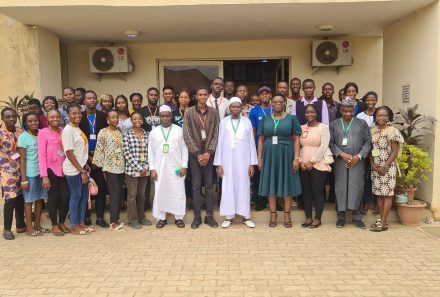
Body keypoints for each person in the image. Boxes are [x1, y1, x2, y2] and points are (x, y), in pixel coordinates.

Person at [257, 93, 302, 228]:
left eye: (280, 102)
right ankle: (273, 213)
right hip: (270, 154)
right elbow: (261, 140)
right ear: (271, 104)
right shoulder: (265, 119)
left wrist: (296, 158)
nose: (278, 104)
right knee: (271, 183)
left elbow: (296, 139)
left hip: (286, 154)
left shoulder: (291, 119)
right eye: (275, 102)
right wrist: (259, 158)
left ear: (285, 104)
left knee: (286, 182)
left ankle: (287, 214)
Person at [214, 97, 257, 228]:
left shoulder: (247, 122)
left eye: (238, 107)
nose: (235, 109)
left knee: (244, 187)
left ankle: (246, 216)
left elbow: (251, 144)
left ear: (241, 108)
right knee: (228, 186)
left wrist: (252, 164)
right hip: (227, 161)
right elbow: (219, 143)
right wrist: (219, 164)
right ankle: (229, 216)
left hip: (243, 161)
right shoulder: (224, 122)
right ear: (229, 108)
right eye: (233, 107)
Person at [329, 97, 372, 229]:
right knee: (340, 187)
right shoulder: (334, 124)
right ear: (341, 110)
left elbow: (368, 142)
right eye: (345, 111)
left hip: (357, 161)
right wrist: (341, 154)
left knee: (357, 186)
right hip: (340, 161)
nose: (348, 113)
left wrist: (358, 156)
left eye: (350, 111)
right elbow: (330, 143)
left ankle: (356, 217)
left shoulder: (361, 123)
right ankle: (341, 217)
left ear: (353, 110)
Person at [183, 86, 219, 229]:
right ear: (196, 97)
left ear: (208, 96)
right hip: (195, 154)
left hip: (209, 154)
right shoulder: (189, 112)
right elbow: (186, 134)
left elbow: (216, 133)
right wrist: (198, 154)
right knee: (196, 186)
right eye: (200, 95)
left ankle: (209, 216)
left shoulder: (214, 112)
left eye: (205, 94)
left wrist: (208, 153)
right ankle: (197, 216)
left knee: (209, 185)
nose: (203, 97)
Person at [149, 105, 188, 228]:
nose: (165, 118)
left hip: (176, 168)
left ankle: (179, 218)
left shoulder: (179, 130)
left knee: (178, 191)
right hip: (159, 168)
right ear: (159, 117)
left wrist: (184, 166)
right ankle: (161, 218)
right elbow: (150, 152)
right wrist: (152, 169)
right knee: (160, 191)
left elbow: (184, 150)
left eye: (167, 116)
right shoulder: (154, 132)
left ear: (171, 116)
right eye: (162, 116)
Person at [370, 106, 404, 232]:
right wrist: (373, 164)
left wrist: (384, 166)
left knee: (387, 194)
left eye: (384, 115)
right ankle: (382, 220)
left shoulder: (392, 131)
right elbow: (372, 150)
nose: (381, 117)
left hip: (388, 167)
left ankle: (384, 222)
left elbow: (394, 152)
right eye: (378, 115)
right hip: (376, 167)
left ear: (388, 116)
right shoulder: (373, 131)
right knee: (379, 194)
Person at [78, 90, 109, 228]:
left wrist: (97, 158)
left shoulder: (103, 116)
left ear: (97, 101)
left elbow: (108, 138)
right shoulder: (79, 117)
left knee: (101, 188)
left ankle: (100, 217)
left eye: (93, 98)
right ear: (84, 101)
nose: (91, 100)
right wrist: (88, 159)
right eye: (88, 98)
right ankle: (86, 216)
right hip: (83, 157)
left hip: (100, 157)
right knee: (85, 188)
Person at [38, 109, 70, 236]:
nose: (55, 119)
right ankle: (54, 225)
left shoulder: (63, 131)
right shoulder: (43, 133)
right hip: (50, 169)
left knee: (66, 196)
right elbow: (41, 155)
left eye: (57, 116)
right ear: (47, 118)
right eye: (52, 117)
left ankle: (62, 222)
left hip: (64, 169)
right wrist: (44, 176)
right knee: (53, 197)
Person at [299, 104, 331, 229]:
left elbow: (324, 146)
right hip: (303, 163)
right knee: (306, 192)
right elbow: (299, 145)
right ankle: (308, 218)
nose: (309, 114)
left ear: (317, 114)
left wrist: (311, 162)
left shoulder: (323, 127)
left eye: (312, 112)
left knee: (317, 191)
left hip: (318, 163)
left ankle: (317, 219)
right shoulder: (301, 127)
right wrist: (301, 161)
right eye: (307, 112)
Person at [92, 110, 125, 231]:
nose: (115, 119)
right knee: (114, 194)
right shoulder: (103, 132)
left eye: (116, 117)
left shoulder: (119, 131)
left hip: (121, 167)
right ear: (107, 120)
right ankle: (113, 221)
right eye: (112, 117)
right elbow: (99, 149)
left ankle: (116, 218)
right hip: (109, 168)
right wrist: (100, 167)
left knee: (119, 193)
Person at [62, 103, 92, 235]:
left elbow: (80, 150)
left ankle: (81, 223)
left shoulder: (77, 129)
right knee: (76, 196)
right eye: (73, 113)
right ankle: (74, 225)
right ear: (68, 115)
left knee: (84, 196)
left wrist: (85, 165)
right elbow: (69, 153)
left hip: (81, 167)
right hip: (73, 170)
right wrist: (81, 171)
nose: (77, 115)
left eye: (79, 113)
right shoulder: (68, 130)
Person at [18, 112, 49, 236]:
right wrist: (24, 179)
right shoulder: (23, 137)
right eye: (30, 121)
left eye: (35, 120)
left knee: (40, 199)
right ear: (25, 123)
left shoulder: (42, 133)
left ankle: (37, 225)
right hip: (30, 174)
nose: (33, 123)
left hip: (41, 173)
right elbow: (22, 159)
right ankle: (29, 228)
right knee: (29, 201)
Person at [122, 112, 152, 229]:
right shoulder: (127, 135)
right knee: (132, 196)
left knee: (142, 195)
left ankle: (141, 217)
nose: (137, 121)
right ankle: (133, 220)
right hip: (132, 171)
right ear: (131, 121)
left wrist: (146, 167)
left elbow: (151, 152)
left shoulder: (147, 134)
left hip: (145, 170)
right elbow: (127, 153)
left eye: (139, 119)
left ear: (142, 121)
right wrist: (139, 168)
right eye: (134, 119)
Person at [1, 108, 26, 240]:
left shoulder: (21, 132)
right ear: (2, 118)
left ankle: (21, 225)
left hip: (22, 168)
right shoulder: (1, 133)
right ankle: (6, 229)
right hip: (7, 171)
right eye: (7, 117)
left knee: (21, 197)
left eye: (13, 116)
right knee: (10, 199)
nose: (11, 119)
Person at [248, 86, 273, 211]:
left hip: (274, 147)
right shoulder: (254, 111)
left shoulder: (276, 109)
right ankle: (259, 201)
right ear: (259, 97)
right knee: (259, 175)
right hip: (259, 147)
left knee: (273, 175)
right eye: (262, 94)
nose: (264, 96)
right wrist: (252, 149)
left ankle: (274, 200)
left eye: (267, 94)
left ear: (270, 96)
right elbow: (253, 131)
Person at [139, 87, 160, 210]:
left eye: (155, 95)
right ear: (147, 96)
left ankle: (160, 202)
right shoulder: (141, 111)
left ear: (158, 96)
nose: (153, 97)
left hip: (161, 145)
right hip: (145, 146)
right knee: (147, 176)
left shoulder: (161, 109)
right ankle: (146, 203)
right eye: (151, 95)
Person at [357, 91, 378, 214]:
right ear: (365, 102)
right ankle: (366, 202)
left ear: (376, 100)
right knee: (365, 177)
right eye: (368, 100)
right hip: (365, 150)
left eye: (373, 99)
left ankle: (376, 203)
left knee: (376, 176)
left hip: (378, 151)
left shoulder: (380, 113)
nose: (370, 102)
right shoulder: (360, 116)